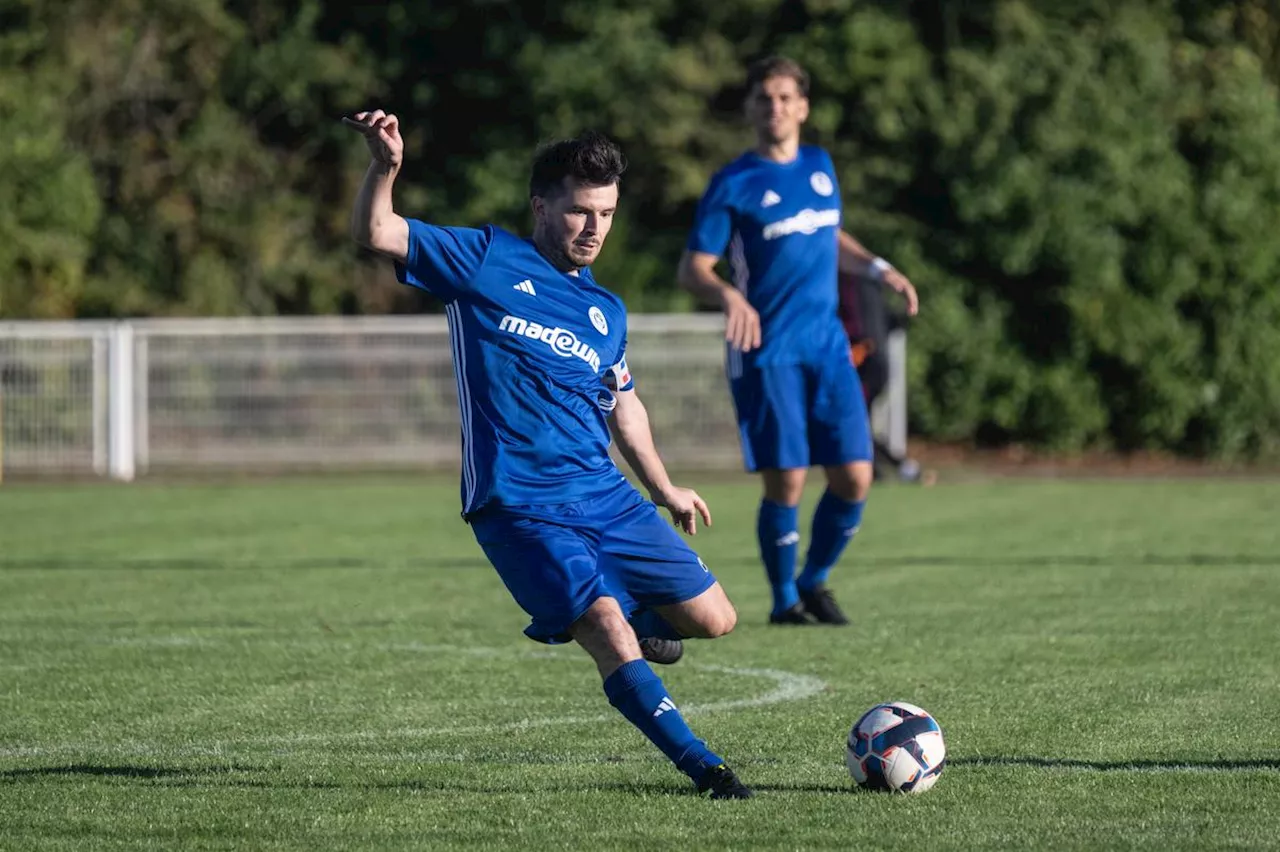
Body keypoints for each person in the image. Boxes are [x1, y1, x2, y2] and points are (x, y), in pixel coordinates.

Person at [343, 110, 752, 799]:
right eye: (580, 212)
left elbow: (624, 403)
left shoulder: (607, 313)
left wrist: (665, 488)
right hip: (519, 504)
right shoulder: (483, 258)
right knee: (600, 623)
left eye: (608, 213)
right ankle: (704, 768)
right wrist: (386, 168)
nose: (595, 228)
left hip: (606, 495)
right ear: (541, 205)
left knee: (715, 619)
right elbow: (376, 232)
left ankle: (637, 622)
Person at [677, 56, 919, 627]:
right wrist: (730, 297)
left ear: (803, 107)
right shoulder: (733, 182)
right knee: (787, 477)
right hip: (767, 350)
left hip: (827, 346)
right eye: (764, 98)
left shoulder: (819, 164)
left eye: (786, 98)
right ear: (750, 109)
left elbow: (829, 233)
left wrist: (878, 268)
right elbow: (694, 269)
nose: (775, 108)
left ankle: (814, 580)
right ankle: (785, 599)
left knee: (855, 475)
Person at [838, 267, 928, 484]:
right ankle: (882, 470)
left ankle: (899, 468)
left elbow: (854, 326)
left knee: (856, 423)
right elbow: (891, 320)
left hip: (866, 364)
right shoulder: (872, 285)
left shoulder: (848, 283)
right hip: (879, 365)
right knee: (858, 423)